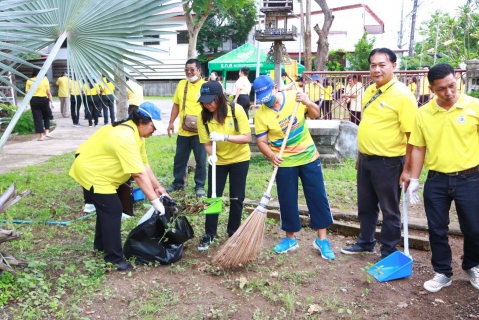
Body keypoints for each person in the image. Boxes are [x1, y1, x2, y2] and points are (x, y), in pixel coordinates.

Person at [69, 101, 167, 271]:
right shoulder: (125, 137)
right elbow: (138, 175)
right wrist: (155, 202)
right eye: (153, 126)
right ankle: (114, 258)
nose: (155, 130)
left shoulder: (136, 134)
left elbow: (144, 165)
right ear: (142, 122)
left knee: (106, 209)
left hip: (99, 171)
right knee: (113, 210)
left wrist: (158, 188)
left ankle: (100, 245)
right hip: (94, 174)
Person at [408, 63, 479, 293]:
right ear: (432, 89)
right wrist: (415, 180)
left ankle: (472, 265)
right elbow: (418, 147)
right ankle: (442, 272)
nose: (448, 92)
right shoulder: (424, 113)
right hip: (437, 180)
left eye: (452, 86)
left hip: (471, 178)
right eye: (441, 89)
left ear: (457, 80)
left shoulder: (474, 106)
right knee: (437, 228)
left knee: (474, 228)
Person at [340, 48, 418, 259]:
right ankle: (365, 242)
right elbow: (368, 124)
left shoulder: (403, 95)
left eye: (382, 65)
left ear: (394, 66)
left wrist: (408, 170)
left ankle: (389, 252)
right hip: (366, 160)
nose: (376, 69)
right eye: (373, 65)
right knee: (365, 206)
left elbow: (412, 136)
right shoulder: (370, 90)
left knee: (389, 209)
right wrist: (359, 156)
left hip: (389, 163)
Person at [252, 75, 335, 260]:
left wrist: (308, 101)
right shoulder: (261, 115)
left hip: (308, 157)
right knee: (287, 200)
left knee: (317, 197)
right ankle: (290, 239)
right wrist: (271, 155)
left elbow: (316, 114)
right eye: (263, 100)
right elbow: (261, 141)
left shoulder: (294, 97)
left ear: (275, 88)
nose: (268, 102)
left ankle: (322, 239)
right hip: (284, 162)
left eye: (269, 97)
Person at [196, 81, 251, 250]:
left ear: (220, 97)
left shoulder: (236, 110)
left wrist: (224, 137)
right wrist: (212, 156)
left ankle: (233, 232)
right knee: (213, 197)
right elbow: (206, 143)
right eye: (205, 101)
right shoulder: (203, 117)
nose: (208, 104)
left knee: (237, 197)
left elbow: (247, 138)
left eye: (211, 100)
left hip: (239, 160)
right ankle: (209, 234)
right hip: (218, 161)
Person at [166, 59, 207, 197]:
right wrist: (171, 122)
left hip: (200, 131)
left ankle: (199, 185)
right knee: (180, 159)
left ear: (199, 70)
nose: (189, 72)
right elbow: (176, 104)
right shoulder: (182, 84)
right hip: (184, 130)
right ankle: (178, 182)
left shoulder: (206, 86)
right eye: (186, 70)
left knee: (201, 159)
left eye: (192, 70)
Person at [25, 69, 54, 141]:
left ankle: (41, 136)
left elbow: (27, 92)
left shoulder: (29, 80)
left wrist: (26, 102)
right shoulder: (45, 79)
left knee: (37, 118)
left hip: (34, 100)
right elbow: (48, 92)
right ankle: (47, 132)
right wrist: (51, 102)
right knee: (46, 116)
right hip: (44, 99)